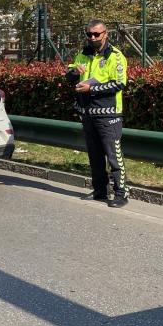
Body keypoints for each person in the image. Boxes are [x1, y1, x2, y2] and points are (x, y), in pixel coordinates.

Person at [65, 20, 129, 208]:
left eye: (96, 34)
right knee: (94, 156)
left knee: (113, 156)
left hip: (109, 114)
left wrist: (92, 89)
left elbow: (119, 83)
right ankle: (100, 190)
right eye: (89, 34)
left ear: (105, 34)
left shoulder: (115, 56)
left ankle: (121, 193)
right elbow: (68, 77)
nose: (92, 38)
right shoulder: (82, 55)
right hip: (87, 113)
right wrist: (74, 73)